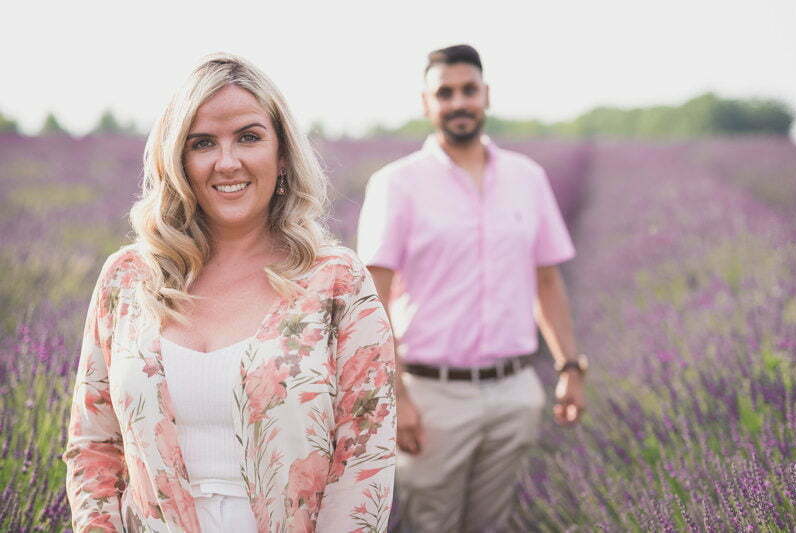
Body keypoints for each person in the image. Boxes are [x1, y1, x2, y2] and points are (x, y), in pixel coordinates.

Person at [63, 52, 396, 533]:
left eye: (249, 137)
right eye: (202, 143)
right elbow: (93, 445)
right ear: (178, 159)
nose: (227, 162)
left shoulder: (337, 282)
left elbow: (365, 456)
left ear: (281, 154)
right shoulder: (128, 279)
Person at [357, 44, 587, 532]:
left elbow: (547, 281)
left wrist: (569, 366)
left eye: (468, 90)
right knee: (429, 523)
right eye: (445, 93)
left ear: (486, 96)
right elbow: (370, 299)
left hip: (514, 393)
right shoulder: (395, 184)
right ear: (426, 104)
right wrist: (395, 396)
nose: (458, 101)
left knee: (493, 522)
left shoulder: (528, 178)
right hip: (432, 396)